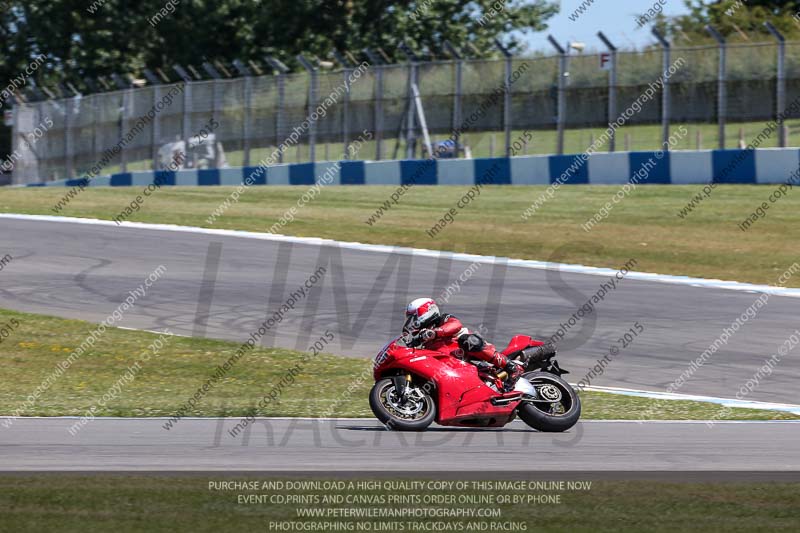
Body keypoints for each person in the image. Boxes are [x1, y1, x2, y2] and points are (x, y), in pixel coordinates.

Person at [403, 297, 524, 386]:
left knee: (467, 340)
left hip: (472, 353)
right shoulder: (422, 338)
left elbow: (456, 324)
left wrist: (435, 332)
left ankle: (512, 367)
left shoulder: (442, 319)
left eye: (414, 317)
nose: (412, 322)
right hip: (457, 369)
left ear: (426, 312)